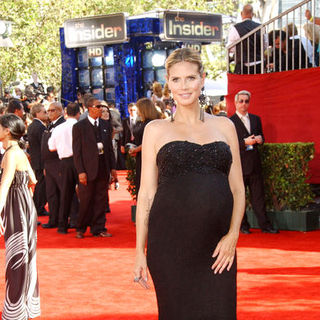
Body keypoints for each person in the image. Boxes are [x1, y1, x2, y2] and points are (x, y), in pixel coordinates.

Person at [134, 48, 245, 319]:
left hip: (218, 246)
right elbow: (146, 194)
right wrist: (139, 251)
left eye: (190, 78)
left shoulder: (225, 126)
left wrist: (233, 236)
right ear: (168, 83)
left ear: (202, 79)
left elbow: (238, 189)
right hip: (170, 246)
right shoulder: (155, 130)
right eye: (176, 80)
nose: (184, 86)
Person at [0, 114, 40, 319]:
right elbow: (33, 179)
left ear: (7, 130)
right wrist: (26, 196)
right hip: (26, 206)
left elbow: (5, 184)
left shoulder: (10, 154)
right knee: (27, 256)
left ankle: (14, 311)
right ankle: (26, 305)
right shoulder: (20, 152)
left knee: (16, 257)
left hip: (16, 208)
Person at [229, 90, 279, 234]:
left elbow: (262, 137)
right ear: (236, 103)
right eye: (241, 101)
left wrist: (260, 139)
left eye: (246, 101)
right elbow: (229, 144)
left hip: (255, 165)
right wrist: (244, 142)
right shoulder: (230, 122)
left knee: (259, 197)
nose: (244, 104)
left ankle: (265, 226)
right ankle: (243, 226)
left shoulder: (256, 119)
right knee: (240, 199)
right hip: (240, 166)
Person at [72, 98, 117, 239]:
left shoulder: (106, 125)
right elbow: (77, 152)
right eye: (98, 106)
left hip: (103, 167)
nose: (101, 109)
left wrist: (113, 168)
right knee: (86, 200)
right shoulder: (79, 127)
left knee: (101, 200)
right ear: (90, 108)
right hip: (87, 169)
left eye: (102, 107)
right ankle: (81, 228)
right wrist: (81, 172)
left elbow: (109, 149)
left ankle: (99, 228)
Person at [49, 103, 80, 234]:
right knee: (84, 193)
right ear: (78, 113)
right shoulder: (80, 126)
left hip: (64, 163)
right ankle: (82, 223)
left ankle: (62, 226)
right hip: (79, 162)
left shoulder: (58, 128)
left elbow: (51, 147)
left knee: (65, 194)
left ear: (66, 113)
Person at [129, 98, 161, 196]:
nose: (137, 110)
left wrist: (136, 149)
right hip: (140, 157)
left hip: (149, 157)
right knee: (140, 182)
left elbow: (151, 141)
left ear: (144, 109)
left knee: (148, 182)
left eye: (138, 108)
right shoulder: (141, 122)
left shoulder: (152, 123)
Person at [41, 102, 65, 229]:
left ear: (60, 111)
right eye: (48, 111)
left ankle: (67, 219)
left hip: (59, 162)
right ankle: (53, 219)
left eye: (52, 110)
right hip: (49, 164)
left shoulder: (63, 125)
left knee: (63, 192)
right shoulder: (50, 125)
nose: (49, 113)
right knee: (51, 193)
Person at [227, 4, 265, 74]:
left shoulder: (235, 28)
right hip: (259, 64)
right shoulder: (261, 27)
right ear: (252, 14)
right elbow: (265, 45)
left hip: (243, 65)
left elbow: (230, 48)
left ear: (241, 13)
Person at [27, 103, 48, 217]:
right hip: (41, 160)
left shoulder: (32, 126)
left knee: (41, 184)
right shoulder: (40, 127)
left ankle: (37, 206)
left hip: (36, 160)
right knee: (42, 185)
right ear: (37, 113)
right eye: (44, 112)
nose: (46, 114)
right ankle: (38, 207)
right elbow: (43, 146)